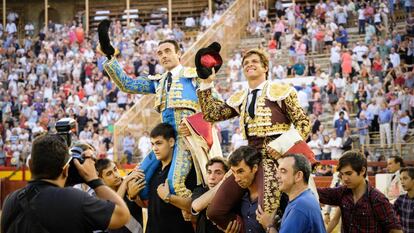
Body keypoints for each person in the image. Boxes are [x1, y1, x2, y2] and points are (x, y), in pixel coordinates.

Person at [197, 48, 315, 230]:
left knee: (265, 212)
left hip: (275, 158)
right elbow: (212, 113)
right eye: (245, 63)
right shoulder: (241, 97)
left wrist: (282, 144)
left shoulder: (281, 91)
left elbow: (304, 124)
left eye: (254, 62)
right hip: (249, 157)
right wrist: (206, 82)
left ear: (265, 67)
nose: (249, 65)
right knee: (215, 211)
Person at [99, 19, 216, 201]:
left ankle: (199, 215)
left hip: (187, 140)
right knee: (138, 184)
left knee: (175, 185)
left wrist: (195, 127)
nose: (163, 55)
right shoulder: (158, 81)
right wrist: (109, 57)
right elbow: (127, 84)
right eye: (160, 53)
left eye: (168, 51)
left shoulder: (195, 76)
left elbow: (214, 107)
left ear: (179, 53)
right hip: (164, 141)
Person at [1, 134, 130, 233]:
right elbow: (121, 215)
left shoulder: (10, 200)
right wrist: (93, 179)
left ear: (30, 165)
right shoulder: (75, 200)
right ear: (66, 169)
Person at [317, 150, 403, 233]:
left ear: (362, 171)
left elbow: (395, 230)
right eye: (342, 174)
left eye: (349, 173)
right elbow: (317, 193)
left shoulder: (377, 198)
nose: (345, 179)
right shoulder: (342, 192)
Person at [141, 123, 196, 233]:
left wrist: (169, 197)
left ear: (171, 142)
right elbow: (149, 204)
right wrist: (134, 196)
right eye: (152, 144)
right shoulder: (154, 171)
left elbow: (195, 205)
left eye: (159, 143)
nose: (154, 148)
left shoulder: (185, 170)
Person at [263, 154, 326, 233]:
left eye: (283, 171)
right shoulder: (305, 198)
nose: (277, 176)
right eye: (277, 171)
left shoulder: (300, 206)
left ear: (298, 176)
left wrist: (268, 225)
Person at [95, 158, 145, 233]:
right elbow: (113, 208)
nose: (115, 175)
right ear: (101, 179)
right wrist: (125, 182)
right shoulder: (99, 197)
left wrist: (133, 197)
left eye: (115, 169)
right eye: (109, 174)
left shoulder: (130, 183)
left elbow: (144, 206)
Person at [227, 146, 266, 233]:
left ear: (254, 168)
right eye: (233, 172)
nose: (236, 179)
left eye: (240, 171)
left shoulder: (270, 197)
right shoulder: (240, 197)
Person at [191, 157, 229, 233]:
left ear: (226, 174)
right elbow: (197, 206)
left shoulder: (230, 194)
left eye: (218, 173)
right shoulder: (200, 191)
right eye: (209, 172)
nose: (212, 177)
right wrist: (222, 182)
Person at [394, 167, 414, 233]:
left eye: (405, 178)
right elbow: (390, 215)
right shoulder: (401, 199)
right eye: (401, 179)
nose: (402, 182)